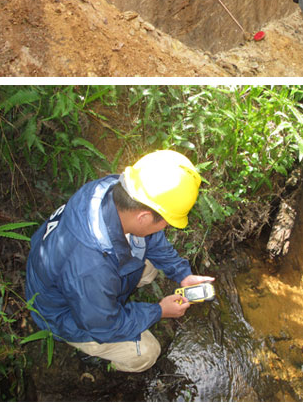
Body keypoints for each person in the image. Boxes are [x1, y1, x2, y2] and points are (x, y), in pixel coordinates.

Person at [26, 150, 215, 372]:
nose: (167, 227)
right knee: (147, 353)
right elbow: (104, 325)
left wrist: (182, 274)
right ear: (143, 217)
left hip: (77, 276)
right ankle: (99, 360)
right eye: (166, 222)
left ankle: (112, 299)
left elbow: (153, 239)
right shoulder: (91, 267)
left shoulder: (115, 190)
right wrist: (159, 311)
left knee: (149, 267)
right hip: (63, 312)